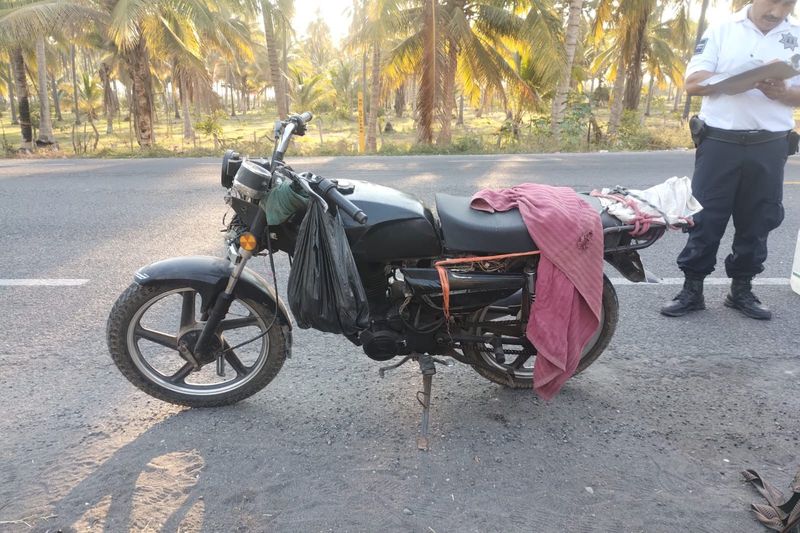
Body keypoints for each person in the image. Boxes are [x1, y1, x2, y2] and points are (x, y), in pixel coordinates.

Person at [661, 0, 800, 320]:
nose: (778, 11)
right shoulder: (722, 30)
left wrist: (783, 93)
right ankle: (692, 290)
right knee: (705, 218)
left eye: (787, 3)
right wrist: (737, 79)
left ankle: (742, 290)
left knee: (759, 219)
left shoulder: (797, 33)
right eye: (773, 2)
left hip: (770, 145)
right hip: (720, 144)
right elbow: (693, 83)